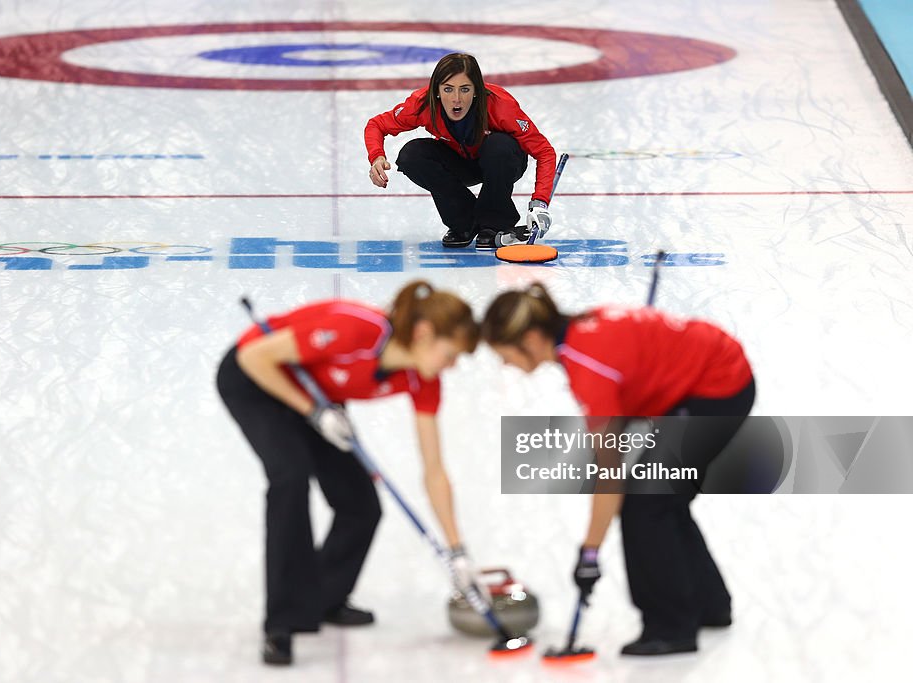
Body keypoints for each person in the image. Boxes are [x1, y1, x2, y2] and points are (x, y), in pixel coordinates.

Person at [216, 280, 484, 666]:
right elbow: (254, 358)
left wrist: (458, 552)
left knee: (360, 504)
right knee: (290, 476)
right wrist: (313, 412)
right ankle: (282, 623)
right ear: (424, 334)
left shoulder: (423, 379)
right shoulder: (356, 329)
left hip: (319, 399)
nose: (453, 365)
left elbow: (434, 470)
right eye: (451, 353)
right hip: (257, 379)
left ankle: (323, 598)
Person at [482, 284, 755, 656]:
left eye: (505, 354)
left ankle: (671, 628)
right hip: (711, 374)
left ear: (530, 338)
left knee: (647, 504)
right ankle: (710, 607)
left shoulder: (588, 366)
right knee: (662, 498)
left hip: (716, 387)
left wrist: (589, 553)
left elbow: (609, 479)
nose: (505, 364)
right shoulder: (580, 336)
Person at [364, 52, 557, 250]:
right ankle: (464, 222)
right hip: (460, 163)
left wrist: (540, 202)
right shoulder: (422, 103)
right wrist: (376, 156)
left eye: (464, 89)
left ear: (476, 90)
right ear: (436, 91)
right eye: (448, 89)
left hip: (501, 162)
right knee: (411, 155)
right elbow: (376, 125)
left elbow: (544, 151)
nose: (456, 99)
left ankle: (494, 224)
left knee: (498, 145)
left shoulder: (500, 105)